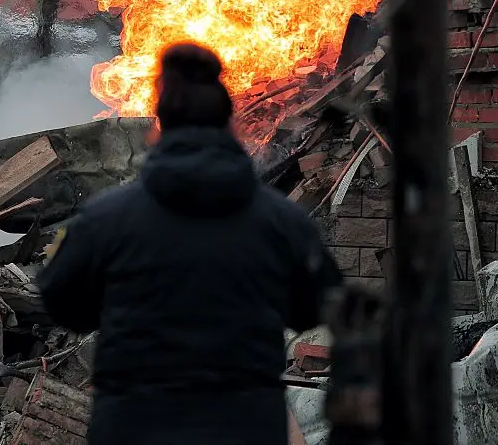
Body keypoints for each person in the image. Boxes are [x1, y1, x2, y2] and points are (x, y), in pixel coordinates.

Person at [38, 41, 342, 445]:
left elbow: (62, 302)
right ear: (229, 122)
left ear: (159, 125)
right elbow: (316, 306)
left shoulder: (105, 220)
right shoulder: (282, 222)